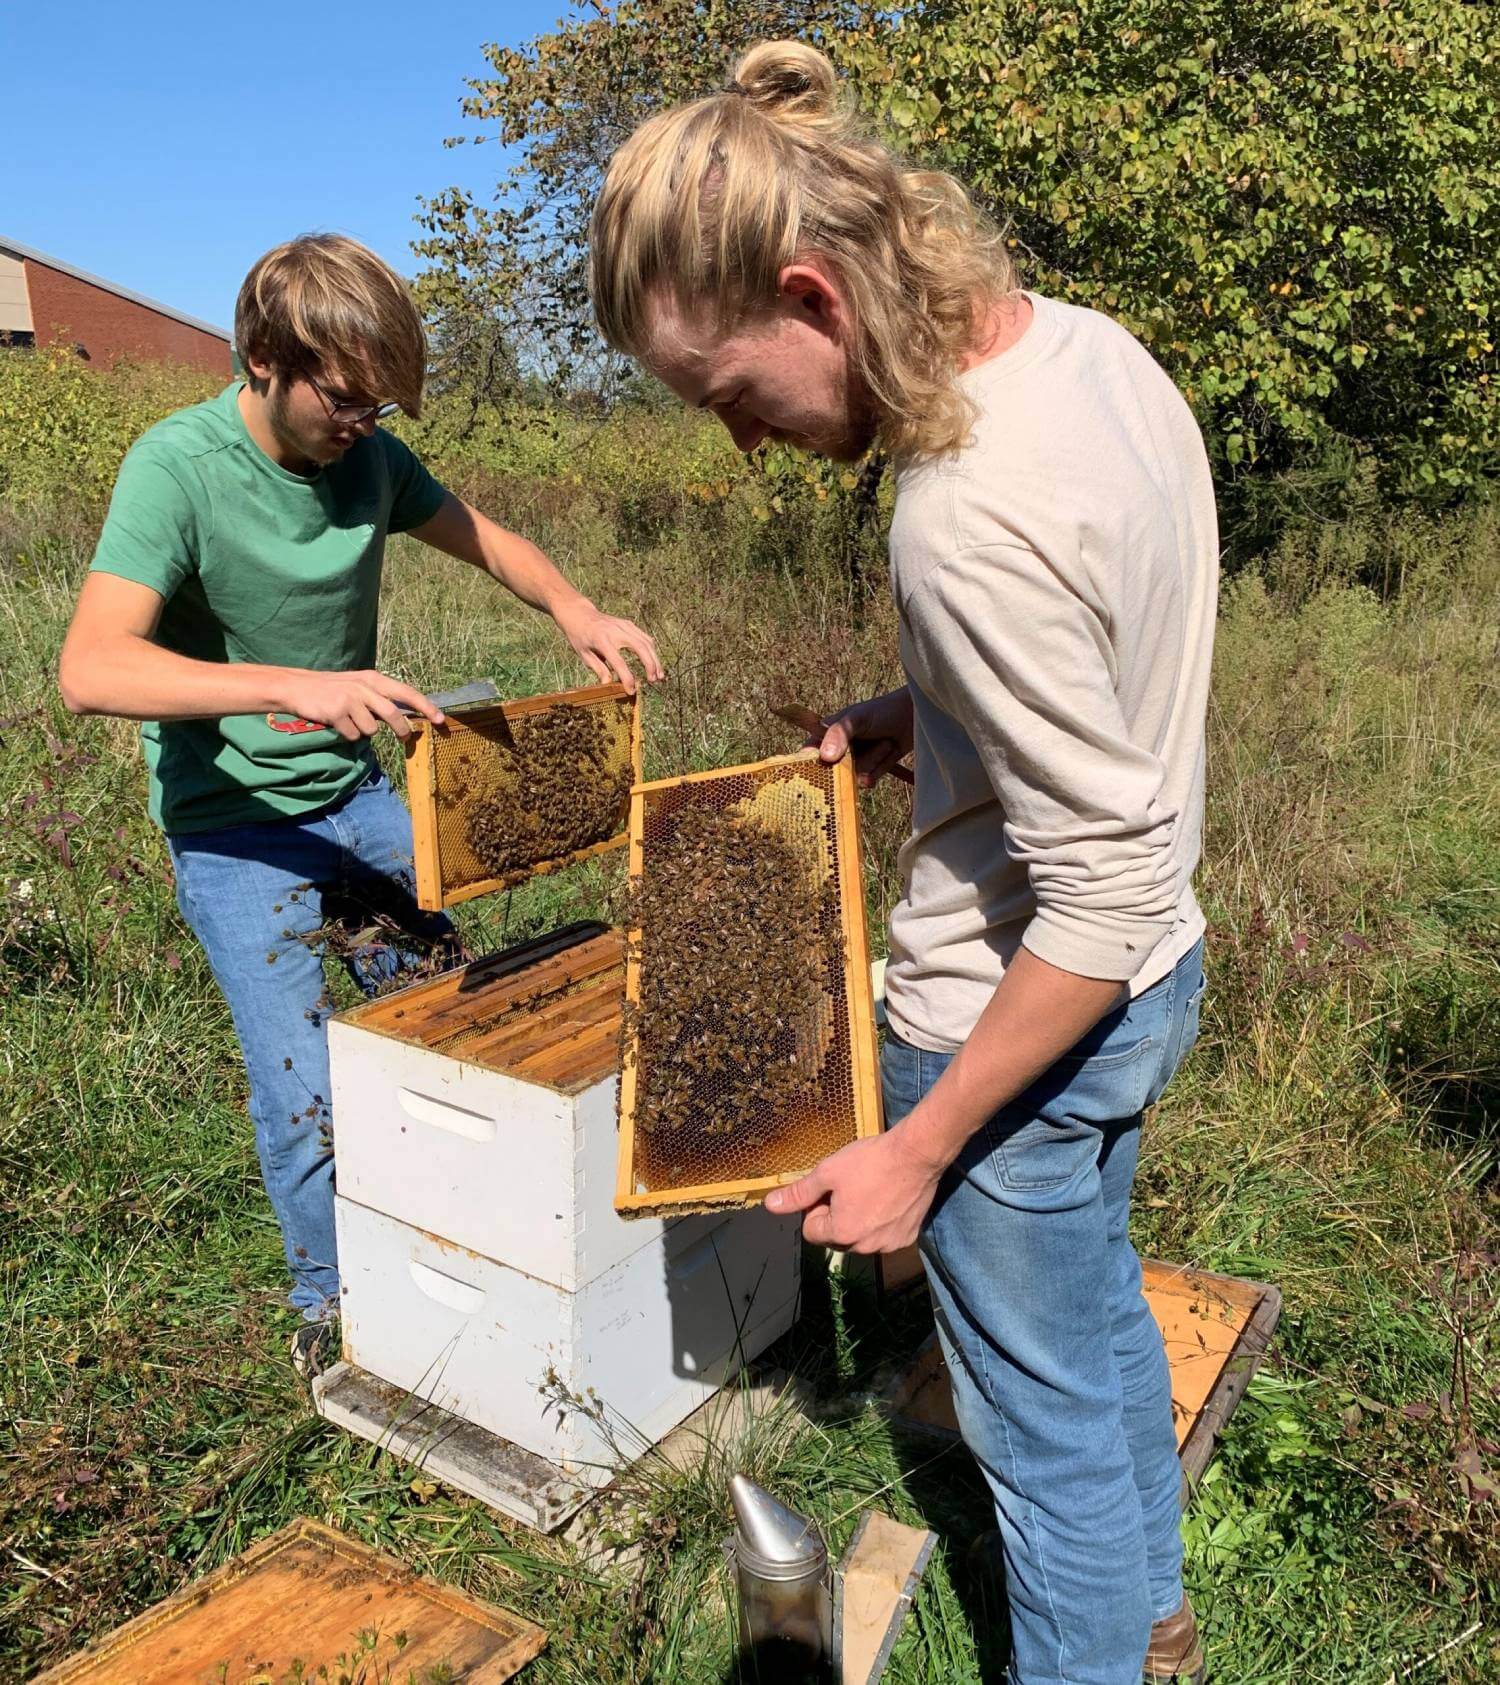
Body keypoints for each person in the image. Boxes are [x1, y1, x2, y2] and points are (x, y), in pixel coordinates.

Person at [589, 41, 1216, 1685]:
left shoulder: (957, 514)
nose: (743, 442)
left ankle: (1093, 1650)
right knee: (1095, 1339)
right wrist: (924, 707)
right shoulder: (1089, 356)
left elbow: (1101, 887)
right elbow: (1114, 666)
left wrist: (920, 1146)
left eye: (732, 397)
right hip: (1147, 997)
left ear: (812, 296)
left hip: (1018, 1018)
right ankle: (1155, 1627)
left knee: (1040, 1442)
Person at [59, 233, 662, 1374]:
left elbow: (483, 537)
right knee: (302, 1086)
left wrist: (572, 606)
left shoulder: (371, 462)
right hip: (233, 829)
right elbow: (91, 668)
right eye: (342, 398)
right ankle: (334, 1313)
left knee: (453, 1022)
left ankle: (464, 1251)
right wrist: (293, 682)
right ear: (259, 360)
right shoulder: (174, 467)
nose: (360, 424)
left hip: (357, 796)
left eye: (379, 405)